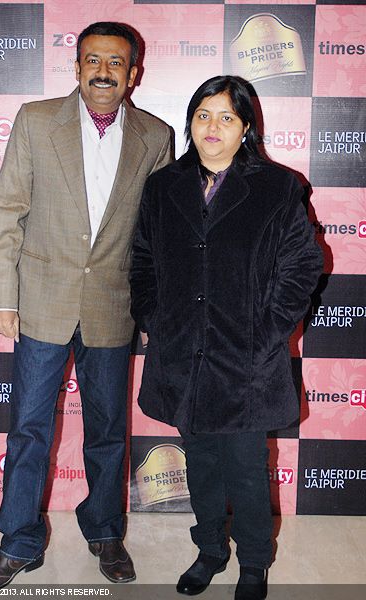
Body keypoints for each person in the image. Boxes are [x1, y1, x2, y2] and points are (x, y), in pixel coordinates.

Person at [0, 21, 171, 591]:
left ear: (134, 73)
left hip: (114, 307)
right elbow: (6, 212)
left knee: (108, 430)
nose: (103, 72)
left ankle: (105, 531)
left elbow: (156, 237)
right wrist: (2, 298)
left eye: (115, 63)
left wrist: (153, 314)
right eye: (92, 61)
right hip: (40, 303)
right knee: (28, 429)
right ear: (77, 67)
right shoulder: (36, 121)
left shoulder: (156, 136)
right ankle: (19, 543)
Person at [130, 75, 323, 599]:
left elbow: (304, 264)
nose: (212, 128)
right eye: (202, 116)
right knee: (202, 465)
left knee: (244, 468)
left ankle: (255, 563)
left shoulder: (279, 187)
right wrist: (153, 317)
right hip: (183, 354)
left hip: (247, 361)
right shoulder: (163, 186)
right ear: (190, 121)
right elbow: (143, 261)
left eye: (226, 118)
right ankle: (211, 549)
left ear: (246, 129)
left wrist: (270, 327)